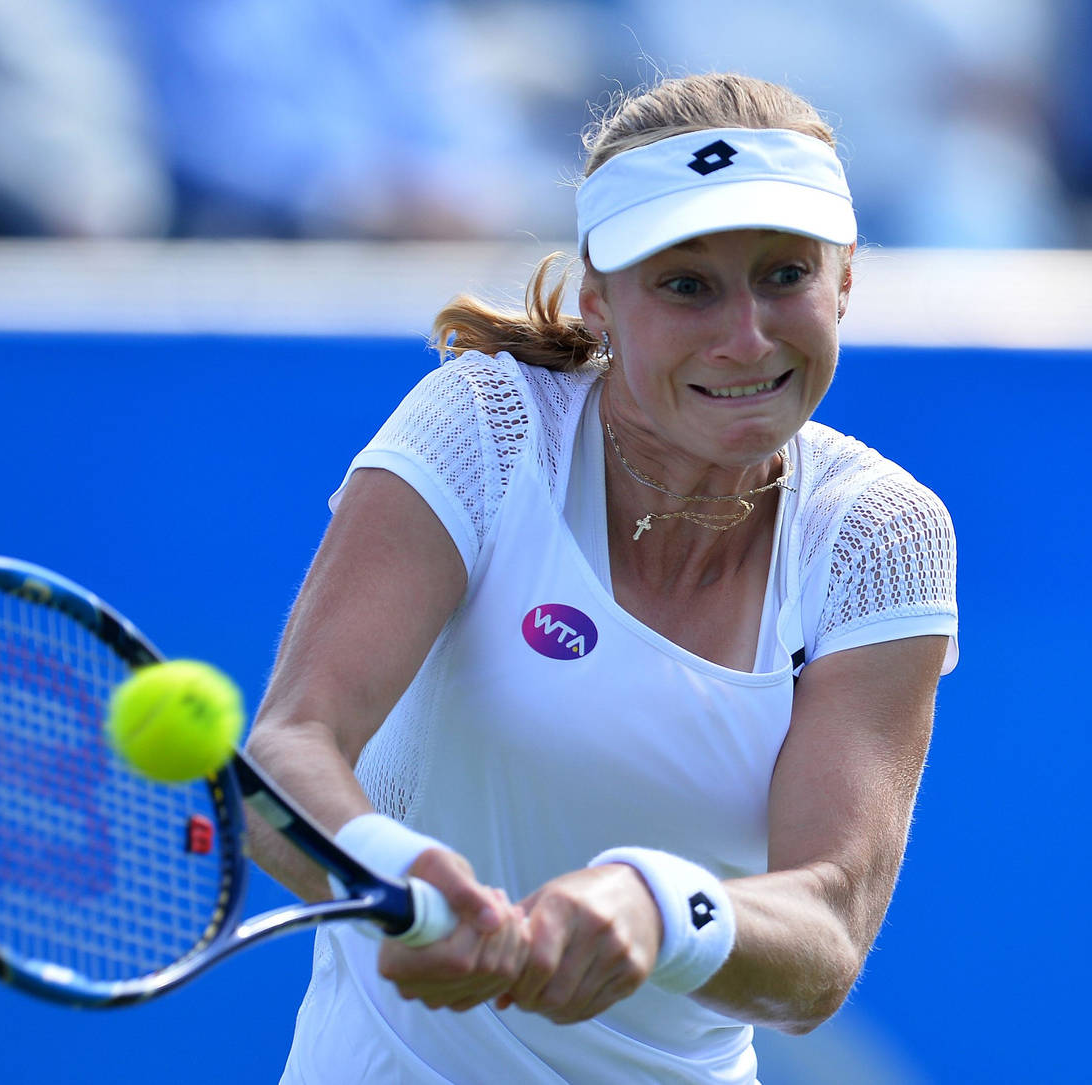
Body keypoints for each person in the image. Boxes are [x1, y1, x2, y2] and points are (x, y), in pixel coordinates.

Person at [245, 71, 959, 1084]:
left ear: (844, 280)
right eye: (686, 285)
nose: (747, 336)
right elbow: (287, 750)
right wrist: (397, 877)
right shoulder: (485, 429)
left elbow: (828, 929)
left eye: (784, 275)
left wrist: (658, 904)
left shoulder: (879, 534)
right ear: (600, 301)